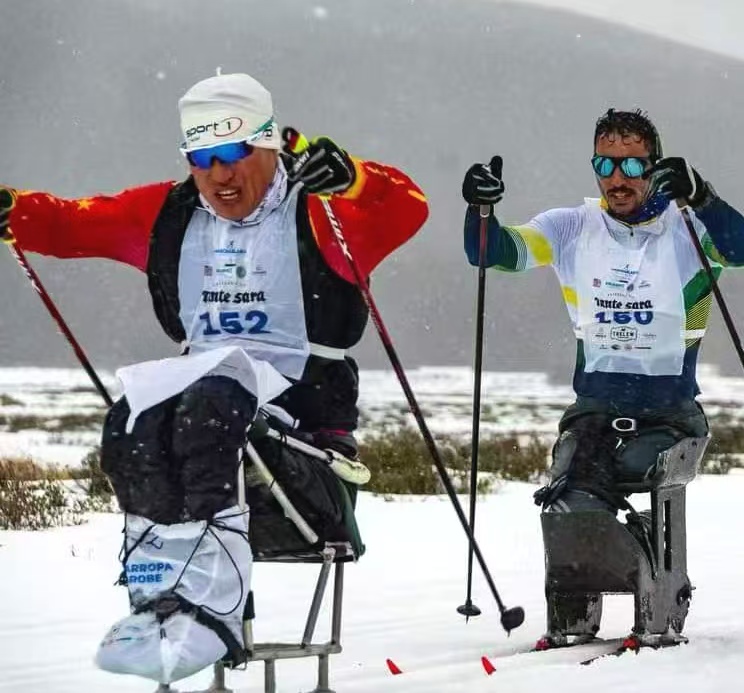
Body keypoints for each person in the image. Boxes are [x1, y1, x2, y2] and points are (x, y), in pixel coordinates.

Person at [0, 72, 428, 683]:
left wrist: (355, 177)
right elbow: (71, 225)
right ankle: (158, 603)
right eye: (201, 159)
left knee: (209, 404)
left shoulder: (320, 209)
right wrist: (16, 209)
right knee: (130, 416)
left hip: (305, 437)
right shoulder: (168, 214)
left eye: (232, 154)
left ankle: (213, 609)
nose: (219, 175)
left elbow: (406, 207)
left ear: (268, 145)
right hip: (210, 400)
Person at [460, 108, 744, 641]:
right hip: (594, 410)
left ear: (655, 165)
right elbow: (494, 252)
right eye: (605, 164)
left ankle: (659, 586)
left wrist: (702, 196)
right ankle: (575, 610)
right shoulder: (571, 227)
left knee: (626, 471)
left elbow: (741, 248)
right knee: (568, 496)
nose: (618, 178)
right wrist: (480, 209)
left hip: (670, 413)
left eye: (633, 165)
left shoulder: (688, 226)